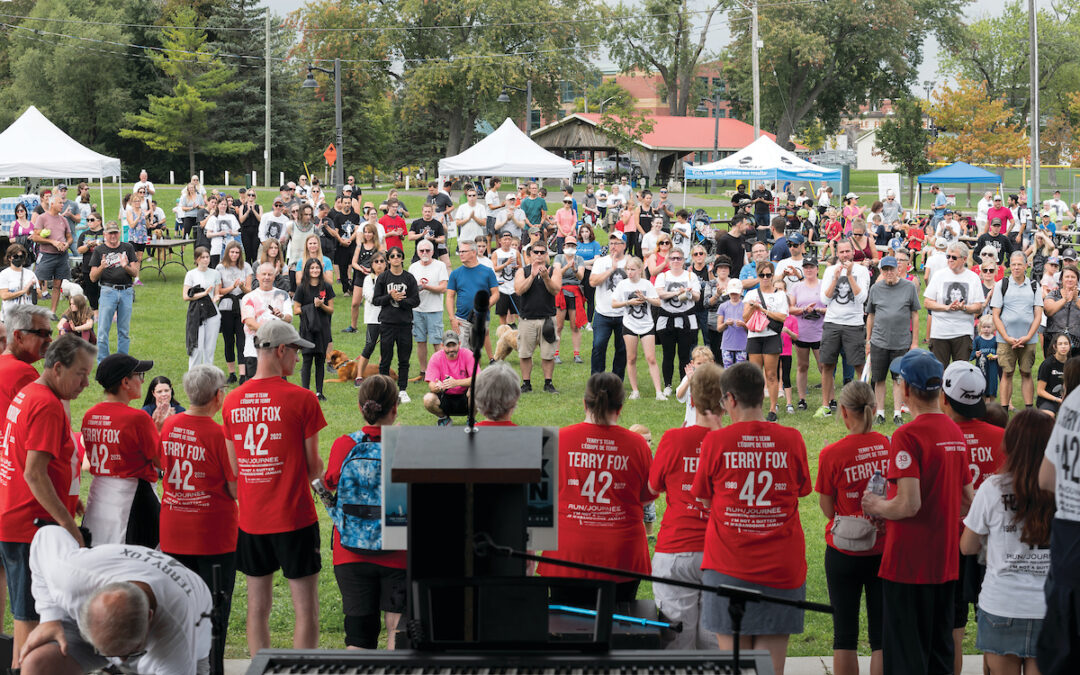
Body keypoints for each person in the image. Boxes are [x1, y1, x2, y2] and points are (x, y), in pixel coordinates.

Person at [691, 362, 811, 675]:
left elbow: (703, 497)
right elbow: (801, 490)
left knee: (736, 668)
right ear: (762, 394)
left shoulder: (716, 442)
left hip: (728, 566)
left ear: (730, 399)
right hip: (781, 568)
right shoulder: (792, 438)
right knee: (770, 669)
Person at [861, 349, 975, 675]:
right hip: (945, 562)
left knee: (905, 657)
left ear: (907, 390)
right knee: (939, 652)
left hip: (908, 566)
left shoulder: (906, 435)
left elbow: (909, 504)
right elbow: (968, 500)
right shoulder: (955, 431)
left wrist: (875, 505)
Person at [222, 321, 326, 655]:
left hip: (251, 520)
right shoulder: (303, 398)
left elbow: (234, 470)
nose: (298, 359)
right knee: (305, 608)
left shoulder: (232, 401)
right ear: (281, 351)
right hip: (294, 518)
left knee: (257, 607)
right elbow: (314, 467)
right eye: (295, 351)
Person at [0, 335, 94, 664]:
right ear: (57, 368)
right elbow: (34, 473)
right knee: (31, 620)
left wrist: (69, 497)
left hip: (16, 517)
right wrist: (70, 527)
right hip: (32, 525)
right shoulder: (47, 405)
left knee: (28, 616)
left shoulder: (29, 393)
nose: (86, 383)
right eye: (81, 373)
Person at [18, 526, 212, 675]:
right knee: (38, 664)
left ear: (149, 617)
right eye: (109, 653)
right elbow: (48, 534)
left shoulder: (176, 636)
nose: (121, 661)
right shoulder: (71, 576)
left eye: (129, 654)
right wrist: (50, 616)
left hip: (191, 609)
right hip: (109, 626)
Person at [537, 373, 652, 604]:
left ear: (584, 403)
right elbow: (646, 498)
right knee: (617, 629)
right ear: (620, 407)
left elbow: (541, 500)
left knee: (565, 631)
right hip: (622, 556)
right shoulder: (638, 444)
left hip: (567, 554)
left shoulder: (555, 439)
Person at [962, 410, 1053, 675]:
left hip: (1002, 604)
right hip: (1050, 608)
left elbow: (967, 547)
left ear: (1010, 444)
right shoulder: (1067, 489)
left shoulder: (993, 488)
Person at [325, 374, 407, 650]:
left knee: (358, 638)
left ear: (361, 408)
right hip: (398, 553)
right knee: (398, 631)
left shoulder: (345, 445)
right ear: (395, 408)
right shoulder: (406, 445)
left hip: (350, 552)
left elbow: (330, 482)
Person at [816, 381, 891, 675]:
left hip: (843, 551)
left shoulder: (831, 454)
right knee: (881, 637)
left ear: (844, 412)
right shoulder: (888, 445)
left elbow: (826, 508)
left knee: (844, 636)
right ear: (873, 409)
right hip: (883, 549)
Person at [648, 362, 723, 650]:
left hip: (676, 549)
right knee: (716, 645)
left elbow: (652, 489)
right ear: (724, 403)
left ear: (691, 398)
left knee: (676, 646)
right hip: (720, 552)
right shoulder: (731, 442)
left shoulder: (673, 439)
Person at [80, 353, 160, 547]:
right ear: (125, 382)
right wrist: (159, 430)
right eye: (139, 375)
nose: (142, 381)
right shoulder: (138, 418)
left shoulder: (90, 415)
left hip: (99, 496)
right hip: (134, 498)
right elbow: (160, 460)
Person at [816, 240, 871, 417]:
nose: (845, 255)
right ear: (837, 254)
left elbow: (862, 298)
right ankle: (826, 406)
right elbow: (824, 300)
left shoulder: (862, 271)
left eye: (848, 251)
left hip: (854, 324)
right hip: (832, 322)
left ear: (853, 252)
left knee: (858, 364)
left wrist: (848, 276)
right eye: (841, 252)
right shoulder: (831, 270)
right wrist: (835, 279)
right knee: (827, 364)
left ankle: (864, 404)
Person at [866, 255, 921, 425]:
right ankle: (880, 413)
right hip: (879, 341)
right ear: (881, 271)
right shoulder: (875, 288)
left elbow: (915, 315)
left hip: (901, 341)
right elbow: (871, 315)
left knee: (898, 379)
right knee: (879, 378)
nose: (889, 272)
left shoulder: (909, 287)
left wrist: (915, 342)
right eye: (885, 269)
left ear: (898, 269)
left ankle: (897, 413)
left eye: (891, 269)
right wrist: (868, 340)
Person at [989, 250, 1043, 410]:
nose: (1016, 267)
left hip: (1029, 339)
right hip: (1005, 340)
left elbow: (1038, 314)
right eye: (1013, 264)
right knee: (1007, 373)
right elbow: (995, 315)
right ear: (1009, 266)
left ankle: (1028, 409)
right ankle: (1004, 409)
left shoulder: (1034, 286)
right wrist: (1006, 336)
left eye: (1020, 264)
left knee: (1026, 373)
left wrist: (1028, 336)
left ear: (1026, 266)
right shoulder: (1002, 285)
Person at [925, 242, 985, 366]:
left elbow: (979, 307)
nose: (950, 260)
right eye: (948, 256)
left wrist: (964, 308)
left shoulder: (973, 278)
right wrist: (945, 307)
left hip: (963, 333)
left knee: (961, 374)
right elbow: (927, 302)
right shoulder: (938, 275)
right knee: (939, 373)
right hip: (939, 332)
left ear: (964, 259)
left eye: (954, 257)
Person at [612, 256, 664, 400]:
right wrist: (628, 302)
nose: (630, 272)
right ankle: (635, 391)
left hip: (647, 325)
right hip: (629, 325)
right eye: (628, 269)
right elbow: (614, 304)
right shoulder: (622, 285)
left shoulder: (646, 284)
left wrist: (645, 299)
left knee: (651, 358)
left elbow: (658, 302)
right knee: (631, 358)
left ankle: (659, 392)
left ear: (640, 270)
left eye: (633, 269)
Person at [514, 241, 562, 394]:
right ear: (530, 254)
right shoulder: (522, 271)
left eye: (542, 252)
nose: (539, 255)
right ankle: (526, 383)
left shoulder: (554, 270)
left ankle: (548, 383)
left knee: (548, 354)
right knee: (525, 353)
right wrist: (533, 276)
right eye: (536, 252)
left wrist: (546, 277)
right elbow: (519, 290)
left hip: (548, 319)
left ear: (546, 254)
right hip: (527, 319)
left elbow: (555, 291)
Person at [373, 246, 420, 401]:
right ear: (388, 259)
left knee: (404, 358)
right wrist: (390, 297)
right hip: (387, 323)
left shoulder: (409, 278)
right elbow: (376, 300)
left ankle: (403, 389)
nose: (395, 258)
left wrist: (402, 301)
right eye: (392, 256)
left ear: (402, 258)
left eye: (398, 255)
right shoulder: (383, 277)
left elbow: (416, 300)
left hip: (405, 324)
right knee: (385, 358)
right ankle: (383, 389)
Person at [743, 261, 788, 421]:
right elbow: (745, 318)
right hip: (755, 336)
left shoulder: (780, 294)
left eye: (768, 275)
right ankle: (756, 407)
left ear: (772, 275)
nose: (765, 278)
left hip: (771, 336)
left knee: (771, 374)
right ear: (758, 275)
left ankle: (772, 409)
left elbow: (782, 316)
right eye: (762, 275)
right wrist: (751, 308)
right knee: (756, 375)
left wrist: (763, 310)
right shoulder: (750, 294)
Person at [89, 220, 139, 362]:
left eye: (115, 233)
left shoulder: (128, 248)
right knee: (103, 331)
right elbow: (92, 277)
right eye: (110, 233)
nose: (113, 236)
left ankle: (122, 362)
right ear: (105, 234)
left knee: (124, 331)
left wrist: (125, 266)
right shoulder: (99, 251)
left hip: (126, 291)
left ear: (119, 233)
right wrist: (101, 267)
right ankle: (103, 363)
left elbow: (135, 273)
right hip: (107, 291)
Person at [654, 247, 701, 397]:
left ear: (683, 260)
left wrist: (687, 292)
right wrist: (676, 292)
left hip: (686, 318)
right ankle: (667, 384)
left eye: (678, 258)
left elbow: (697, 297)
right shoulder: (663, 276)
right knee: (668, 354)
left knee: (684, 355)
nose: (675, 261)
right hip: (666, 318)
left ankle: (683, 384)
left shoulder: (690, 276)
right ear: (668, 260)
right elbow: (659, 294)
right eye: (673, 258)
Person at [239, 262, 293, 387]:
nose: (267, 277)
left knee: (279, 392)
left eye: (270, 274)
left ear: (274, 276)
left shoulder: (283, 295)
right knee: (254, 393)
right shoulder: (249, 297)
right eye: (264, 274)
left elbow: (289, 318)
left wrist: (281, 316)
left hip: (277, 353)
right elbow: (250, 323)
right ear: (257, 276)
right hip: (254, 352)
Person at [446, 240, 499, 360]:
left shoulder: (487, 272)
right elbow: (449, 296)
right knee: (462, 353)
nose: (460, 254)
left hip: (480, 319)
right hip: (461, 320)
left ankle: (473, 378)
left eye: (464, 251)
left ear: (473, 252)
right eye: (460, 251)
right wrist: (451, 317)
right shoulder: (455, 273)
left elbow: (495, 294)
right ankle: (462, 377)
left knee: (475, 355)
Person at [293, 258, 335, 401]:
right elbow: (296, 309)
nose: (315, 270)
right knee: (307, 360)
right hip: (307, 328)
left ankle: (319, 392)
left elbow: (331, 309)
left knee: (320, 360)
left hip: (323, 327)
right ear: (307, 270)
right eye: (312, 268)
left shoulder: (327, 287)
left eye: (317, 268)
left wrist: (321, 306)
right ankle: (305, 391)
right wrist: (311, 306)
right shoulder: (302, 288)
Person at [789, 256, 826, 411]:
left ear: (817, 269)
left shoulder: (824, 285)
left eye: (812, 267)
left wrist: (818, 310)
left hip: (820, 332)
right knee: (802, 365)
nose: (809, 270)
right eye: (806, 267)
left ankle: (828, 399)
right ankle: (802, 399)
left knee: (823, 366)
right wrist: (804, 309)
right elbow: (790, 308)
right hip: (802, 332)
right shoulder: (797, 287)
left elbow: (832, 307)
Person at [408, 240, 449, 378]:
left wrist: (426, 287)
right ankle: (423, 371)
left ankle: (440, 371)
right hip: (417, 310)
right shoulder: (413, 267)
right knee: (420, 341)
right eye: (421, 251)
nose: (424, 253)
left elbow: (443, 288)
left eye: (427, 250)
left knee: (437, 342)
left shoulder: (440, 266)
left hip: (434, 310)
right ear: (417, 252)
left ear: (432, 252)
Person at [31, 194, 74, 318]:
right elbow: (35, 237)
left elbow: (69, 237)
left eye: (62, 203)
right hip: (46, 255)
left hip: (61, 256)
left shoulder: (63, 220)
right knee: (37, 281)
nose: (62, 205)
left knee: (57, 284)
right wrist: (52, 242)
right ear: (52, 204)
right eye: (60, 203)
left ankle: (53, 312)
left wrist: (67, 244)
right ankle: (32, 310)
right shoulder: (42, 218)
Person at [217, 241, 253, 384]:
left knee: (241, 340)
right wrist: (232, 286)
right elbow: (219, 291)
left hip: (241, 307)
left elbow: (249, 290)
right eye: (232, 252)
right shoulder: (220, 267)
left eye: (237, 253)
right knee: (228, 340)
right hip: (226, 306)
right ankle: (232, 373)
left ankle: (243, 374)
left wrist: (242, 287)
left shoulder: (246, 267)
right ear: (227, 253)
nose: (234, 255)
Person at [422, 330, 476, 426]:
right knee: (428, 399)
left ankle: (471, 418)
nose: (451, 349)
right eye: (448, 346)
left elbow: (477, 379)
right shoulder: (436, 358)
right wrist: (437, 387)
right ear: (442, 346)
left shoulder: (468, 354)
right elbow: (431, 385)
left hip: (465, 397)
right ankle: (444, 418)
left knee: (477, 392)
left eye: (453, 345)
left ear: (459, 344)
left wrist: (456, 383)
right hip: (444, 396)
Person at [182, 247, 221, 369]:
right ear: (196, 259)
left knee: (209, 349)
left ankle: (208, 378)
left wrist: (215, 298)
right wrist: (203, 294)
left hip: (212, 312)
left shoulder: (215, 273)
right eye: (202, 257)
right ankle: (193, 377)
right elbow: (186, 296)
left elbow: (216, 294)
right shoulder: (191, 274)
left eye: (207, 257)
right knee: (197, 348)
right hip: (197, 312)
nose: (205, 260)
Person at [553, 236, 586, 364]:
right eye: (568, 245)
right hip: (561, 291)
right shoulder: (558, 258)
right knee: (559, 325)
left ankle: (576, 354)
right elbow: (557, 273)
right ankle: (555, 354)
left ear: (576, 247)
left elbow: (581, 276)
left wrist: (574, 269)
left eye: (573, 245)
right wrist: (567, 267)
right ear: (564, 247)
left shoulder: (580, 259)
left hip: (575, 293)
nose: (570, 248)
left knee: (575, 325)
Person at [0, 244, 38, 326]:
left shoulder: (30, 274)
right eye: (16, 256)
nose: (19, 259)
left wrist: (32, 290)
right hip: (8, 317)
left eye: (21, 256)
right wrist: (23, 291)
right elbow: (4, 296)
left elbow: (39, 296)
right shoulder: (4, 274)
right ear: (9, 258)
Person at [716, 279, 748, 367]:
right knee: (727, 370)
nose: (734, 295)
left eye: (736, 293)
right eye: (732, 293)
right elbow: (719, 328)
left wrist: (743, 324)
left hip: (742, 344)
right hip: (727, 344)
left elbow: (750, 328)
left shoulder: (745, 306)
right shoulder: (723, 306)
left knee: (740, 371)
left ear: (741, 292)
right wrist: (726, 323)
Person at [1038, 334, 1070, 416]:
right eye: (1060, 344)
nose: (1063, 347)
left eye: (1066, 344)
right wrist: (1057, 400)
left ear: (1070, 346)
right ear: (1055, 347)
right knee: (1048, 415)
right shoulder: (1047, 364)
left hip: (1067, 399)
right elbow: (1040, 391)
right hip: (1049, 400)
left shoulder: (1072, 364)